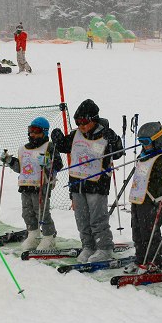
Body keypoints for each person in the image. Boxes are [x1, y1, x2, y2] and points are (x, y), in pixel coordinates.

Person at [50, 99, 124, 263]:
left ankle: (104, 247)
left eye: (84, 122)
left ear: (94, 119)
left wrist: (115, 141)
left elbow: (118, 153)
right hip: (77, 184)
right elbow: (63, 146)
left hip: (97, 185)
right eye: (78, 122)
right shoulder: (76, 134)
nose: (81, 126)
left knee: (97, 219)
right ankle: (88, 246)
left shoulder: (105, 134)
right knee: (82, 219)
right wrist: (57, 138)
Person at [0, 117, 63, 250]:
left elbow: (58, 165)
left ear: (44, 132)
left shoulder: (49, 147)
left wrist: (48, 163)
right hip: (25, 185)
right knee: (27, 212)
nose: (32, 134)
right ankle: (33, 234)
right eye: (30, 130)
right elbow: (21, 167)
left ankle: (49, 237)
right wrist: (10, 161)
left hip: (41, 185)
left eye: (36, 131)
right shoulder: (23, 149)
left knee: (42, 212)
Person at [124, 122, 162, 273]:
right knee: (137, 231)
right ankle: (141, 258)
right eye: (141, 143)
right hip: (138, 198)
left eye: (146, 142)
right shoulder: (145, 155)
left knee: (150, 233)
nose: (144, 146)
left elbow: (161, 176)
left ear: (157, 141)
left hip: (152, 200)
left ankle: (157, 262)